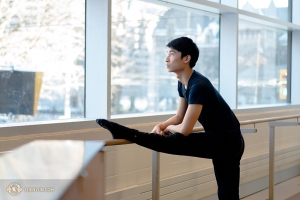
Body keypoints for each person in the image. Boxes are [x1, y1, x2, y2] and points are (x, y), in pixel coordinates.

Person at [96, 37, 244, 200]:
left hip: (228, 142)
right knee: (227, 195)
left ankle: (129, 133)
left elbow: (185, 129)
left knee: (177, 140)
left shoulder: (199, 85)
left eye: (172, 53)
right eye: (167, 53)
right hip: (219, 140)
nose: (167, 59)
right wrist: (161, 125)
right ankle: (128, 133)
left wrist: (167, 129)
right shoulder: (183, 83)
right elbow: (179, 117)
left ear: (186, 58)